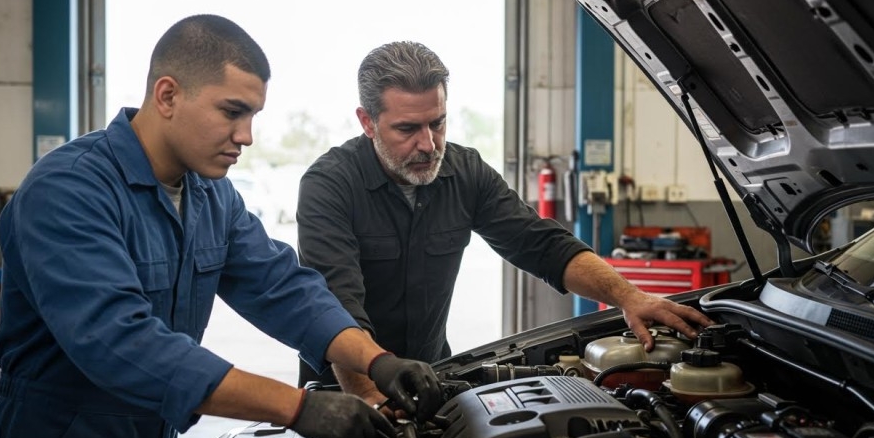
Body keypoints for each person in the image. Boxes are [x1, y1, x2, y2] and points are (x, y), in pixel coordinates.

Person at [0, 16, 439, 438]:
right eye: (232, 112)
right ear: (168, 95)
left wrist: (377, 361)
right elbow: (120, 342)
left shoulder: (210, 195)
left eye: (253, 115)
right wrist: (296, 407)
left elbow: (282, 287)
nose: (247, 135)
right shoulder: (69, 190)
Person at [297, 41, 714, 388]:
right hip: (343, 390)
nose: (429, 144)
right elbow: (337, 307)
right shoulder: (329, 186)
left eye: (438, 123)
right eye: (407, 129)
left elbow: (541, 244)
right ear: (368, 122)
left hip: (429, 374)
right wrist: (369, 398)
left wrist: (629, 296)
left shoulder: (466, 172)